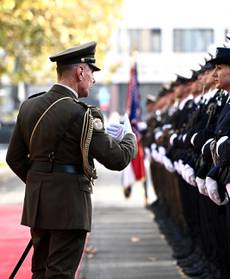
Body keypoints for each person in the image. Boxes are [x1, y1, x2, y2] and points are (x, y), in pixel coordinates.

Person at [6, 41, 137, 278]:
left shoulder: (29, 107)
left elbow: (14, 158)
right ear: (80, 72)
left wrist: (41, 184)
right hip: (69, 207)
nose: (93, 80)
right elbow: (117, 159)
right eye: (92, 73)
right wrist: (130, 137)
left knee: (41, 271)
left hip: (38, 205)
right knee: (60, 274)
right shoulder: (81, 114)